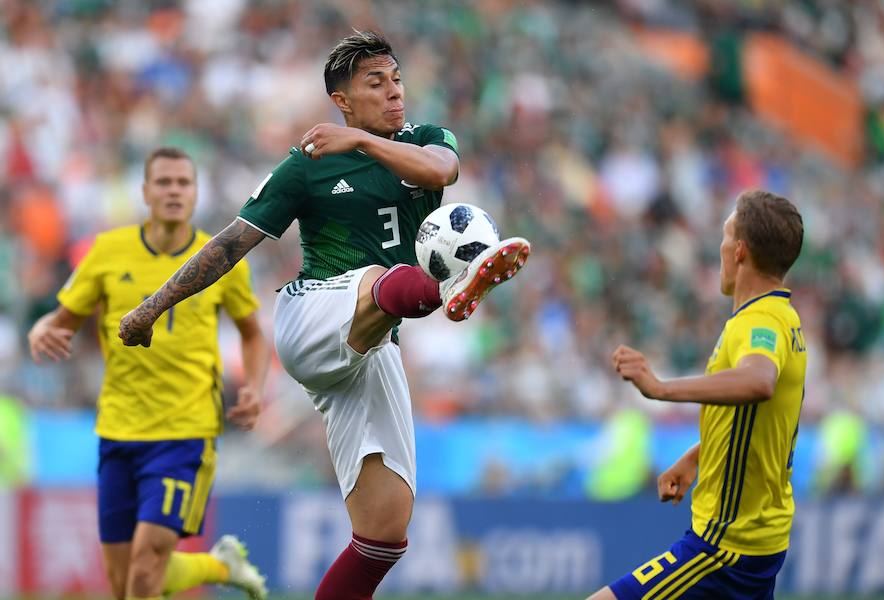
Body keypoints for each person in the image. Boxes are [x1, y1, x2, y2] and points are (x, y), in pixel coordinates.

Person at [119, 31, 529, 600]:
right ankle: (453, 284)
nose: (394, 93)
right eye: (375, 83)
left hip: (373, 344)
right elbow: (230, 244)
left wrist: (360, 143)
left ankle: (450, 285)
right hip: (313, 315)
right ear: (342, 100)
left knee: (385, 532)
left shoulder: (425, 140)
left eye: (396, 79)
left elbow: (442, 172)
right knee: (373, 282)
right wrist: (152, 306)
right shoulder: (306, 166)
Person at [28, 147, 269, 600]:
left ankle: (216, 563)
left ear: (196, 193)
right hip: (118, 430)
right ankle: (220, 564)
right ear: (145, 191)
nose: (174, 191)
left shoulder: (218, 259)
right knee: (125, 585)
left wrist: (255, 388)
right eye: (164, 182)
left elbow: (253, 334)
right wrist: (41, 330)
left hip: (185, 432)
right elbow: (60, 320)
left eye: (183, 183)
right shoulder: (107, 251)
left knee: (143, 573)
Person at [587, 190, 806, 600]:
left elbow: (759, 382)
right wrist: (695, 458)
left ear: (739, 251)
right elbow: (762, 423)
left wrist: (660, 388)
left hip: (725, 546)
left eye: (725, 237)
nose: (720, 248)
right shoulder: (783, 317)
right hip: (754, 540)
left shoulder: (760, 323)